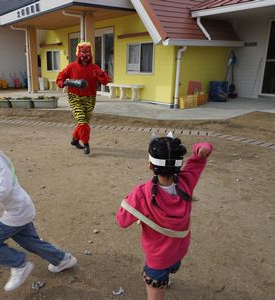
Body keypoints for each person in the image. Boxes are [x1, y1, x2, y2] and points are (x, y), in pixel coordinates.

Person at [0, 122, 77, 292]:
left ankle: (20, 265)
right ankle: (63, 259)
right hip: (15, 210)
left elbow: (1, 191)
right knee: (30, 242)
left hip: (17, 211)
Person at [116, 133, 213, 300]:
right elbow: (202, 151)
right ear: (178, 165)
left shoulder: (141, 193)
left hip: (158, 259)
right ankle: (169, 272)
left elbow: (122, 221)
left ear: (150, 165)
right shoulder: (187, 181)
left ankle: (163, 277)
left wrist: (130, 199)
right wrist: (202, 150)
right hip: (178, 250)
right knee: (170, 265)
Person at [56, 42, 110, 155]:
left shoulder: (95, 67)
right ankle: (86, 144)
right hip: (75, 97)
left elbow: (105, 81)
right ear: (78, 53)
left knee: (83, 123)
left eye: (87, 52)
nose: (85, 55)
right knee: (82, 121)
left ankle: (75, 139)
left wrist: (100, 74)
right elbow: (61, 77)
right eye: (83, 52)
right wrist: (61, 82)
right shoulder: (72, 66)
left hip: (90, 98)